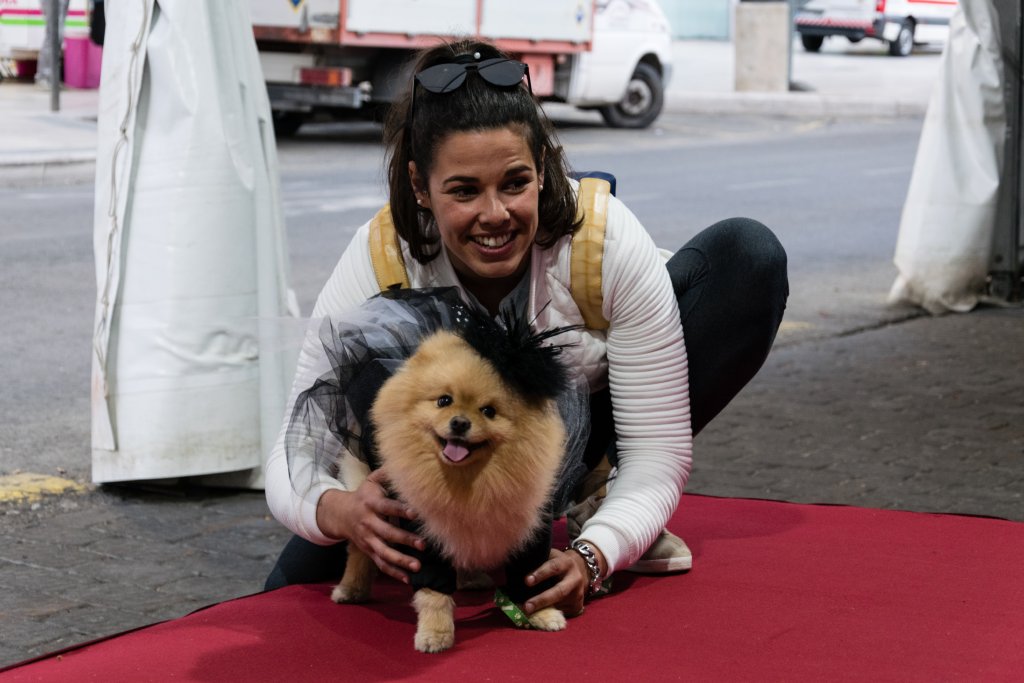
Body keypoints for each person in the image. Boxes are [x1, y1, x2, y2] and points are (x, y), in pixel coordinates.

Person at [264, 39, 788, 619]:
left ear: (542, 166)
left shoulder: (605, 238)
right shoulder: (378, 255)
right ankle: (453, 549)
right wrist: (339, 511)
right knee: (284, 598)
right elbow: (290, 458)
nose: (495, 214)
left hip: (566, 447)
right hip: (426, 469)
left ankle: (596, 497)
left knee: (749, 254)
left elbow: (658, 453)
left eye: (515, 182)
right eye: (464, 190)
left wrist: (596, 555)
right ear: (419, 186)